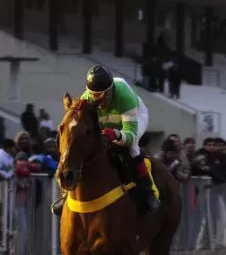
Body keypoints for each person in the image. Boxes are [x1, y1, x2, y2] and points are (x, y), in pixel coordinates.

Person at [51, 65, 160, 215]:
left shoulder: (124, 96)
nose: (99, 102)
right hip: (107, 120)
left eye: (103, 96)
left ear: (110, 90)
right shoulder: (87, 99)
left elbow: (131, 135)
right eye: (95, 96)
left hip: (132, 119)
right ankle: (66, 195)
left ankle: (148, 191)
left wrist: (116, 135)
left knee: (132, 148)